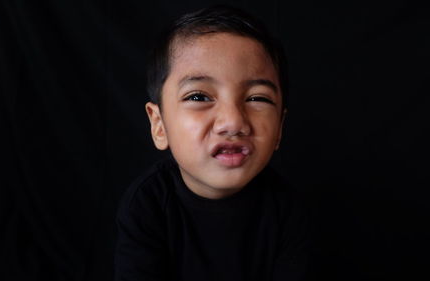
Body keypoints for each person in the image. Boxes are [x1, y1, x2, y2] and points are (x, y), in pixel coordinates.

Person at [114, 5, 309, 281]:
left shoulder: (287, 212)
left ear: (279, 128)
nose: (233, 122)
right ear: (159, 125)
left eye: (257, 98)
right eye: (198, 97)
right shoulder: (146, 206)